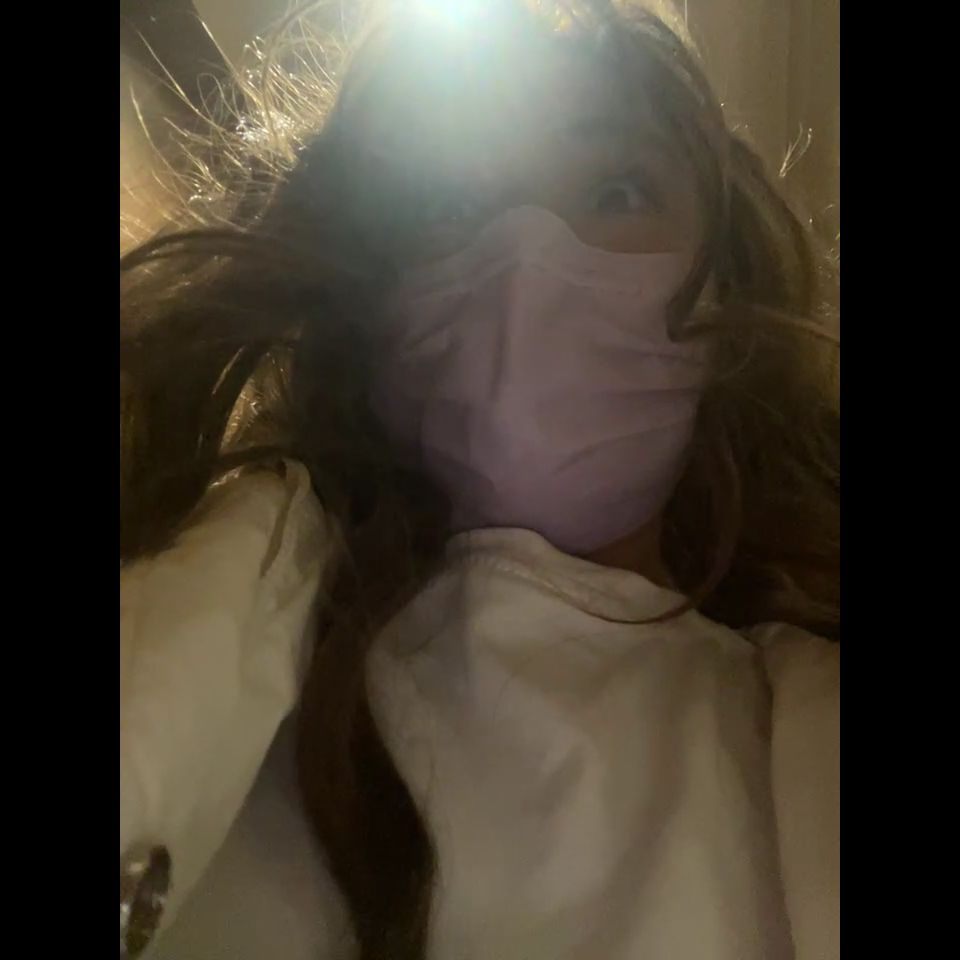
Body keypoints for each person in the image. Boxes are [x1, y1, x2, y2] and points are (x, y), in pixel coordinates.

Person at [119, 1, 839, 958]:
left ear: (725, 292)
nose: (524, 255)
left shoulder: (795, 731)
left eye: (616, 188)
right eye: (447, 207)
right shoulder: (232, 641)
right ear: (368, 305)